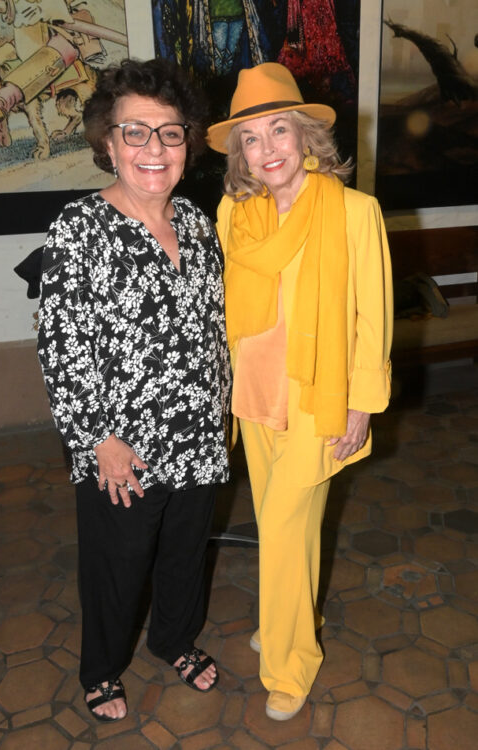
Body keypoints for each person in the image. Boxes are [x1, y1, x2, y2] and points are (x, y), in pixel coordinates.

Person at [37, 58, 231, 722]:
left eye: (170, 133)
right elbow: (62, 349)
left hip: (200, 435)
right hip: (125, 447)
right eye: (135, 132)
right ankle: (102, 667)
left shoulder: (201, 229)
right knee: (117, 563)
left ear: (188, 143)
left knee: (184, 553)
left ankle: (175, 638)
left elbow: (215, 331)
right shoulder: (78, 228)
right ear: (109, 143)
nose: (154, 149)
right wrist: (100, 442)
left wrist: (223, 409)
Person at [207, 62, 393, 721]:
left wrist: (362, 405)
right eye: (251, 139)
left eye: (279, 130)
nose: (268, 149)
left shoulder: (353, 211)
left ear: (307, 136)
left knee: (283, 530)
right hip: (253, 399)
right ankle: (286, 614)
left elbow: (373, 316)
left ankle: (290, 662)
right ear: (240, 154)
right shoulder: (235, 214)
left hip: (320, 399)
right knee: (291, 527)